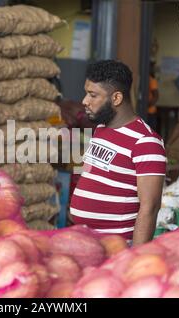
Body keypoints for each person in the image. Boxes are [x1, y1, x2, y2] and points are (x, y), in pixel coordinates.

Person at [69, 60, 166, 246]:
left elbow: (150, 208)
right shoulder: (100, 129)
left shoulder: (146, 142)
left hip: (117, 247)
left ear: (116, 99)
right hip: (87, 241)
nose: (84, 101)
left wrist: (135, 260)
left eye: (92, 95)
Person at [147, 62, 159, 131]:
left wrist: (148, 105)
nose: (153, 69)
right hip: (148, 111)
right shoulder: (148, 78)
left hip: (150, 111)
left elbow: (156, 95)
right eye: (152, 67)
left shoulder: (151, 79)